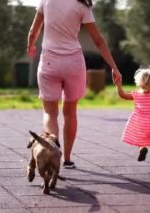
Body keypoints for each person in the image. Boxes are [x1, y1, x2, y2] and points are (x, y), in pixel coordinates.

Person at [27, 0, 122, 169]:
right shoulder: (82, 5)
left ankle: (51, 149)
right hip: (74, 64)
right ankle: (67, 159)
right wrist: (114, 67)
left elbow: (34, 30)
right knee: (70, 113)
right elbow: (98, 40)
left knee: (50, 113)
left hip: (49, 61)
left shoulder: (47, 1)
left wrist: (31, 45)